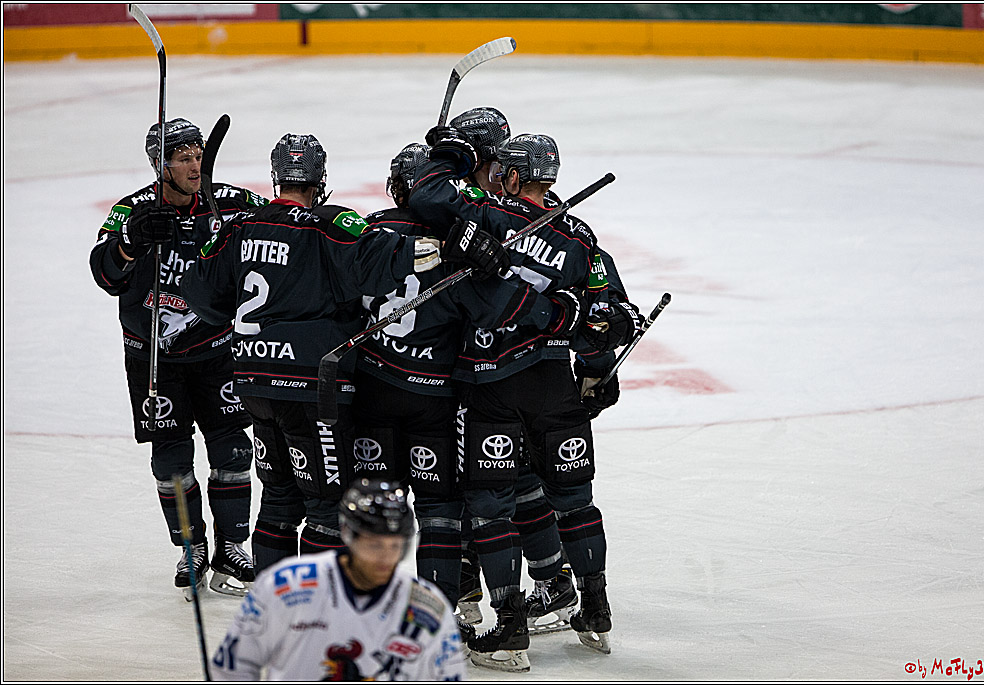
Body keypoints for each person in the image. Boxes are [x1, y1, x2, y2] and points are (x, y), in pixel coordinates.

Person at [182, 133, 509, 573]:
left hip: (254, 382)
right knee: (326, 508)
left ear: (277, 175)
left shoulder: (240, 226)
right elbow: (389, 261)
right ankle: (317, 617)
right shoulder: (330, 227)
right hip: (312, 389)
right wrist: (455, 246)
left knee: (278, 499)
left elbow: (201, 298)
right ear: (321, 179)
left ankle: (271, 611)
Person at [409, 129, 643, 670]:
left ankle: (510, 628)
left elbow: (426, 194)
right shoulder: (580, 236)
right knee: (575, 500)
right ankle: (596, 611)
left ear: (511, 175)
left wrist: (450, 152)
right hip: (556, 387)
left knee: (491, 508)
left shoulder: (487, 212)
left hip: (491, 384)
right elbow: (610, 315)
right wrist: (596, 370)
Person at [353, 141, 584, 636]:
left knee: (402, 499)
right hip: (451, 388)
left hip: (379, 385)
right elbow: (481, 306)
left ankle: (399, 608)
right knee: (484, 492)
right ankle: (520, 586)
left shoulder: (374, 228)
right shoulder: (463, 233)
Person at [89, 117, 264, 600]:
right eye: (183, 157)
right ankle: (191, 547)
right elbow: (105, 276)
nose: (194, 164)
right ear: (159, 165)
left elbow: (282, 232)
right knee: (171, 462)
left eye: (198, 154)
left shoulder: (231, 202)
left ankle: (232, 546)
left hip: (217, 350)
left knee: (233, 450)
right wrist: (132, 242)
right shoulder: (134, 210)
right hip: (153, 357)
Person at [209, 478, 467, 681]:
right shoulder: (286, 586)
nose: (386, 559)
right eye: (374, 545)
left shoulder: (427, 609)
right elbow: (233, 667)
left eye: (396, 546)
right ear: (347, 533)